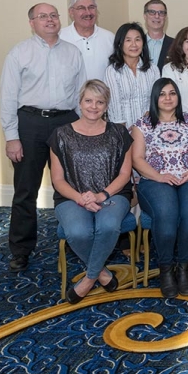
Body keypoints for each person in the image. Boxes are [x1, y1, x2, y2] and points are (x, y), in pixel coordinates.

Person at [0, 3, 86, 272]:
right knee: (26, 189)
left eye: (53, 15)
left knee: (72, 184)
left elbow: (80, 95)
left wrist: (83, 129)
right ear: (32, 23)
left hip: (65, 123)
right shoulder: (19, 53)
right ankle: (21, 249)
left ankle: (75, 239)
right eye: (43, 16)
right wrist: (12, 136)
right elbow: (7, 97)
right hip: (30, 123)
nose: (50, 20)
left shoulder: (72, 53)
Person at [49, 80, 133, 303]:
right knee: (77, 232)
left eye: (100, 102)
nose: (93, 106)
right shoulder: (60, 135)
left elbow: (125, 174)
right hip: (71, 197)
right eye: (88, 100)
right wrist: (81, 198)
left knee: (107, 226)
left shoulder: (120, 132)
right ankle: (103, 274)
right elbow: (57, 179)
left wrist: (101, 195)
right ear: (80, 102)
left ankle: (89, 279)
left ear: (106, 106)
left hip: (113, 195)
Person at [131, 78, 188, 297]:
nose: (167, 98)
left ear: (178, 97)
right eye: (162, 94)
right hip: (155, 180)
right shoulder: (142, 124)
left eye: (172, 93)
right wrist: (159, 176)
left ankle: (184, 268)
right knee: (167, 212)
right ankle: (166, 269)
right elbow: (137, 159)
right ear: (155, 97)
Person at [104, 22, 160, 129]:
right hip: (124, 130)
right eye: (128, 40)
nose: (134, 44)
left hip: (150, 129)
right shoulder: (112, 71)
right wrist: (124, 131)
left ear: (143, 43)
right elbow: (114, 104)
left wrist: (149, 119)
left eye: (138, 39)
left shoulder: (152, 69)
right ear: (120, 44)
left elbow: (157, 99)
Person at [60, 0, 115, 81]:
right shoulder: (60, 38)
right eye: (81, 8)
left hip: (104, 94)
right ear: (71, 12)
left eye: (91, 7)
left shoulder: (110, 38)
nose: (88, 12)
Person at [143, 0, 173, 72]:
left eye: (161, 13)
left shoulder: (175, 45)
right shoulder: (136, 44)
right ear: (145, 16)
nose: (157, 16)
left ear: (165, 17)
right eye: (152, 12)